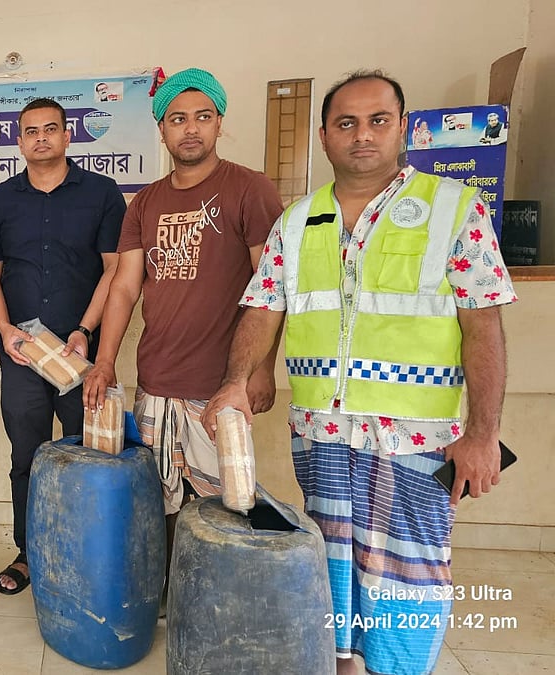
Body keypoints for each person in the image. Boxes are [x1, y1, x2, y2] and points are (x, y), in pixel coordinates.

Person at [202, 70, 516, 675]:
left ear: (403, 128)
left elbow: (484, 329)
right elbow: (263, 308)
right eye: (347, 123)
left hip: (417, 437)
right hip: (321, 431)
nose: (362, 136)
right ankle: (341, 663)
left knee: (407, 570)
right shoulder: (297, 220)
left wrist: (482, 433)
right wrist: (237, 380)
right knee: (329, 562)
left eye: (378, 121)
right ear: (324, 136)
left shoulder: (454, 210)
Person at [83, 67, 283, 539]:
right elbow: (126, 287)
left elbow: (271, 287)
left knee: (225, 506)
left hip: (221, 385)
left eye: (202, 117)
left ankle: (210, 606)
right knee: (158, 504)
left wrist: (262, 368)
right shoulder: (144, 203)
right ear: (162, 129)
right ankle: (169, 596)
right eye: (177, 119)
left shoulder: (250, 189)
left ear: (219, 123)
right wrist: (105, 361)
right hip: (155, 381)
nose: (190, 128)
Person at [0, 98, 125, 595]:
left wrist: (85, 330)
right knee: (27, 457)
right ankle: (29, 551)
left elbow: (115, 271)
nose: (41, 138)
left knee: (87, 455)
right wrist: (4, 328)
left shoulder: (102, 195)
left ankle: (86, 553)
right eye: (31, 131)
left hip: (82, 358)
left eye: (50, 129)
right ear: (19, 141)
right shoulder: (0, 201)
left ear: (66, 136)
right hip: (22, 355)